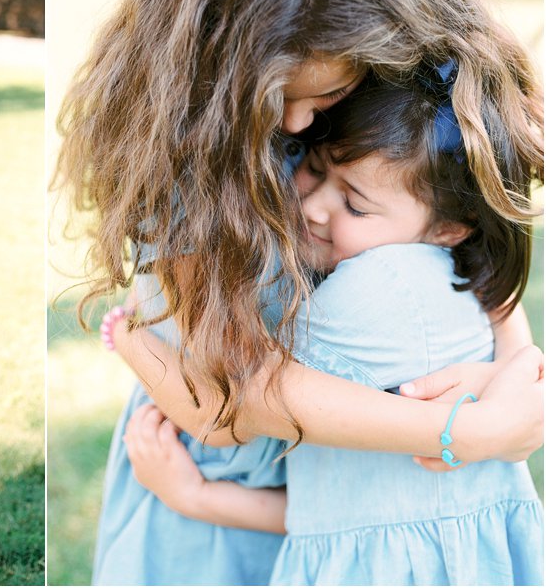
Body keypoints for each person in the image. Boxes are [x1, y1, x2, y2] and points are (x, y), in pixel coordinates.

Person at [53, 0, 544, 585]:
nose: (295, 123)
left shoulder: (385, 83)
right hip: (210, 497)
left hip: (322, 489)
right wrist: (471, 432)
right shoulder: (189, 165)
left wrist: (515, 370)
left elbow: (478, 235)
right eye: (275, 94)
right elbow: (238, 394)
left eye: (328, 95)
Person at [124, 72, 544, 584]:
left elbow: (239, 415)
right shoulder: (205, 176)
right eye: (313, 167)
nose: (314, 207)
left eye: (355, 205)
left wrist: (129, 337)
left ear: (447, 231)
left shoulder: (382, 296)